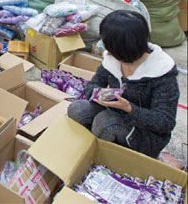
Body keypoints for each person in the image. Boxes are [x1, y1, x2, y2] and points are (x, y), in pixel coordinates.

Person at [68, 10, 179, 158]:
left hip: (146, 134)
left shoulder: (161, 72)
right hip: (115, 113)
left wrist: (130, 109)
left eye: (107, 44)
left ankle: (98, 158)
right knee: (77, 109)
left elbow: (165, 122)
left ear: (122, 47)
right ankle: (90, 149)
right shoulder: (112, 59)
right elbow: (93, 84)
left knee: (105, 123)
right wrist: (98, 94)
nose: (105, 48)